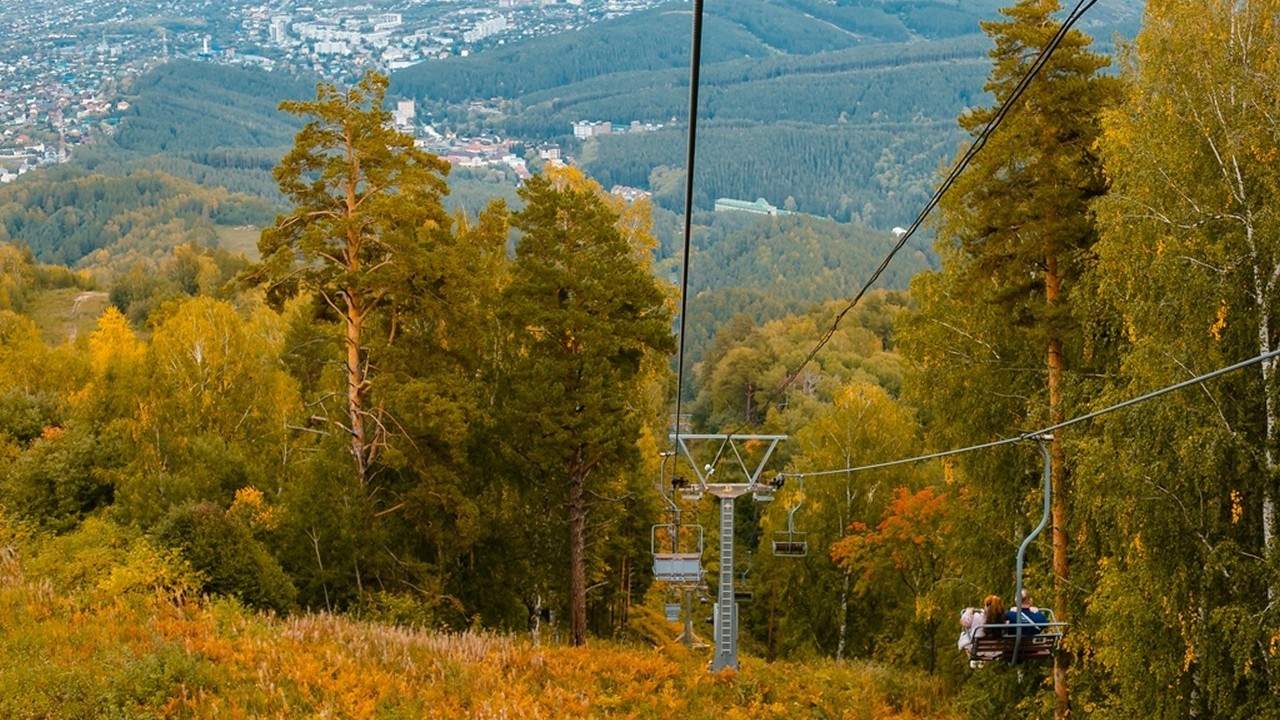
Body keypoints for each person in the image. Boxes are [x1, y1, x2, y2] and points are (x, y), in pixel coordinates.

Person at [958, 594, 1006, 665]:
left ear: (986, 606)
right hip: (996, 651)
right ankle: (981, 658)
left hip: (977, 649)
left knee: (964, 634)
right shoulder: (1004, 620)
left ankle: (976, 658)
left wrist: (968, 611)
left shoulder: (977, 617)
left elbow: (964, 622)